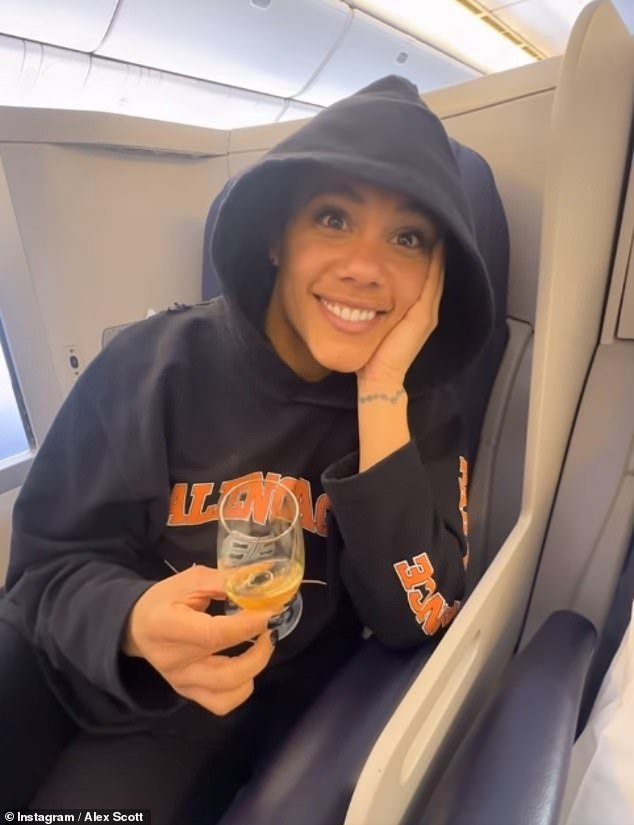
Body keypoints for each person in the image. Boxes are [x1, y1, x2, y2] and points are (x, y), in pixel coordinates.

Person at [0, 75, 493, 821]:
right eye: (333, 218)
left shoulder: (421, 413)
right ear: (275, 238)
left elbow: (415, 617)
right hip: (66, 660)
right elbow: (42, 569)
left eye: (407, 238)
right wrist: (132, 620)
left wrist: (383, 392)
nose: (365, 265)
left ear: (435, 274)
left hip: (204, 709)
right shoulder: (150, 363)